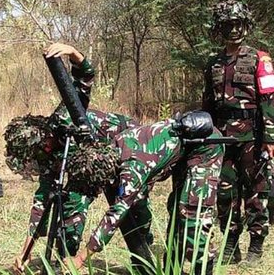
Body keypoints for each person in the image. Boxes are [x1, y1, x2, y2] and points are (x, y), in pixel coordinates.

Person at [10, 43, 153, 275]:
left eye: (42, 149)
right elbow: (42, 203)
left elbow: (84, 78)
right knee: (70, 208)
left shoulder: (65, 118)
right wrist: (24, 252)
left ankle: (143, 259)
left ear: (44, 134)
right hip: (90, 163)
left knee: (134, 210)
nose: (42, 155)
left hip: (125, 147)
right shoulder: (46, 153)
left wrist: (73, 53)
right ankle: (65, 261)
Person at [67, 111, 225, 275]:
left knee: (192, 215)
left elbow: (116, 215)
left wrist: (80, 259)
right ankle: (171, 270)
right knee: (176, 210)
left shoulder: (133, 167)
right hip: (185, 147)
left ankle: (204, 270)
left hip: (206, 147)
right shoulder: (113, 147)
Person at [202, 0, 274, 263]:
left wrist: (270, 137)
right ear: (219, 29)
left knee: (255, 192)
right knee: (224, 194)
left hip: (252, 137)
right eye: (227, 25)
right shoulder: (213, 63)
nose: (233, 30)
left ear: (245, 26)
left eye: (237, 24)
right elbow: (208, 104)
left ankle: (256, 246)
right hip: (222, 138)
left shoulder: (260, 59)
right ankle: (230, 246)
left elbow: (271, 99)